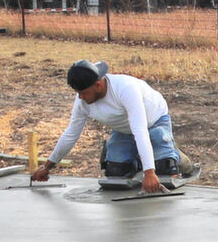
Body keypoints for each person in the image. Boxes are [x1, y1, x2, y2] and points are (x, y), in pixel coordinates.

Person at [30, 59, 195, 192]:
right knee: (116, 171)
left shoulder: (126, 89)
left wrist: (150, 172)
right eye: (78, 93)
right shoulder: (82, 101)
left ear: (98, 85)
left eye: (84, 93)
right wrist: (47, 167)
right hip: (124, 130)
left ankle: (175, 155)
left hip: (154, 122)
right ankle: (141, 157)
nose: (80, 98)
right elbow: (71, 135)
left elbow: (140, 130)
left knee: (164, 168)